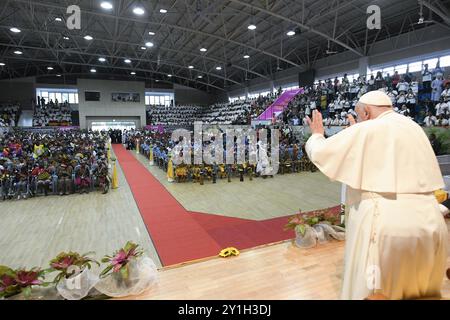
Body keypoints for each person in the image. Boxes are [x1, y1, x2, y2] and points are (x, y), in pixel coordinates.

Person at [305, 90, 447, 300]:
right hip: (431, 223)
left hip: (387, 225)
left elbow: (322, 152)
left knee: (377, 289)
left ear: (366, 112)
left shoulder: (368, 128)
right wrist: (358, 134)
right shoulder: (413, 127)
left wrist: (317, 134)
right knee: (419, 291)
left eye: (359, 114)